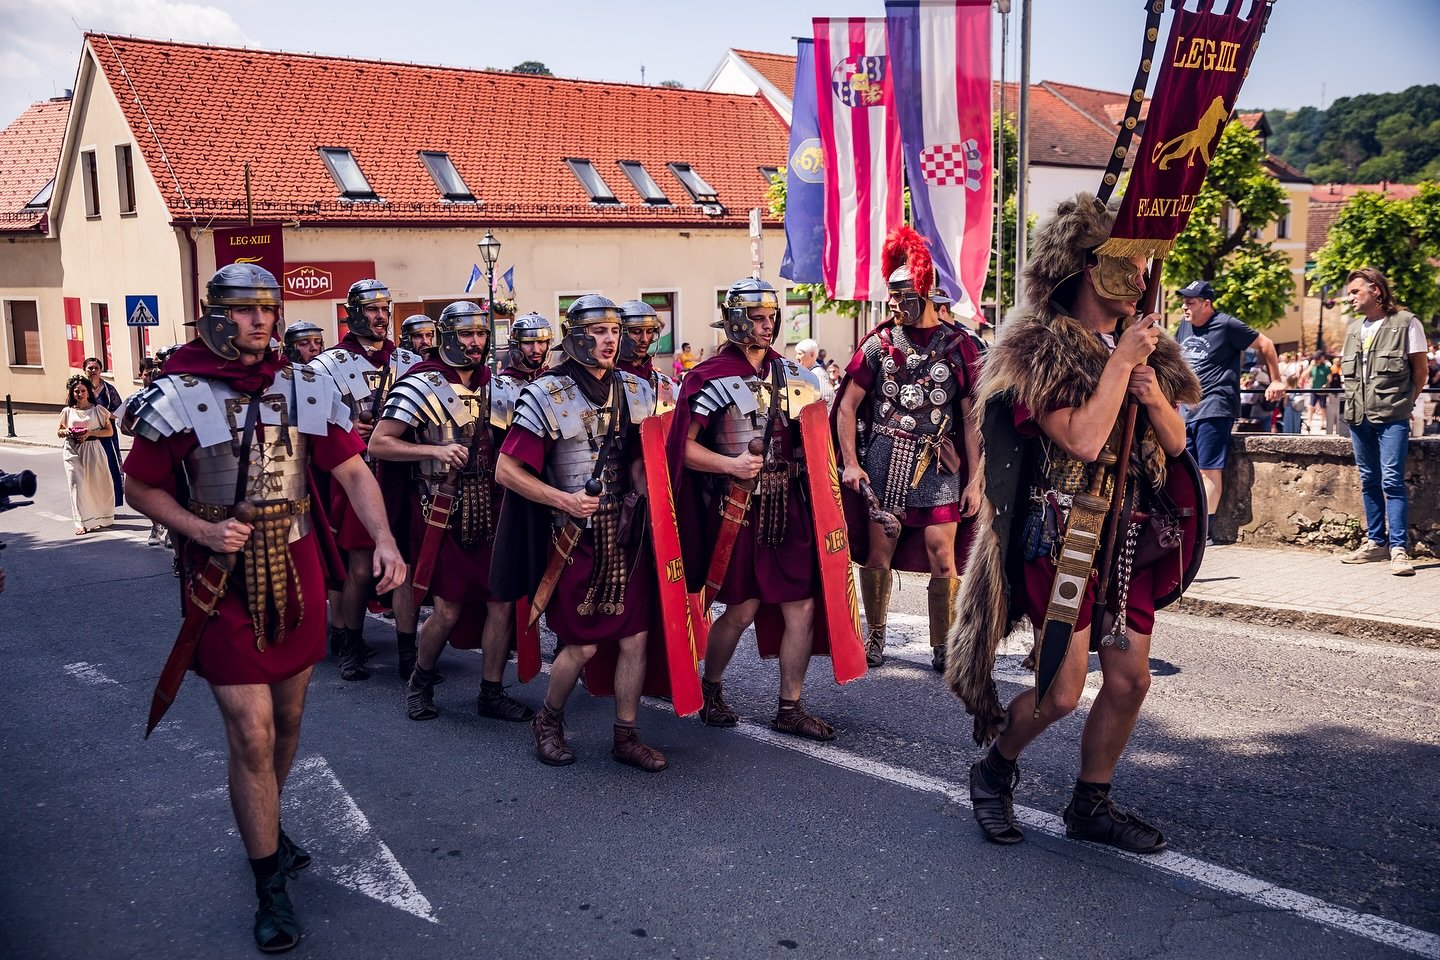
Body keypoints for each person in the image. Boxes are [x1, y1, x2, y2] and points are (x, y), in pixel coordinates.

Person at [122, 264, 406, 953]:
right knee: (249, 732)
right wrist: (199, 529)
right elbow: (139, 487)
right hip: (222, 577)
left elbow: (352, 469)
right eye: (246, 312)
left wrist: (387, 540)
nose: (261, 323)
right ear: (214, 314)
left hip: (300, 566)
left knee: (288, 718)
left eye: (268, 311)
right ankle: (269, 884)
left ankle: (267, 822)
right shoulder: (178, 395)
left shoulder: (303, 383)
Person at [948, 193, 1202, 854]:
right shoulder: (1038, 351)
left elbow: (1176, 445)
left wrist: (1146, 385)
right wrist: (1119, 366)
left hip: (1128, 540)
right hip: (1062, 538)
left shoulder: (1143, 348)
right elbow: (1085, 441)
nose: (1142, 279)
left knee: (1130, 679)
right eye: (1127, 264)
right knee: (1061, 691)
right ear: (1089, 268)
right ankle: (994, 768)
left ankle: (1091, 801)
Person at [493, 295, 669, 771]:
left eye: (615, 331)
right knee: (584, 642)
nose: (611, 339)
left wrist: (646, 487)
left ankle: (625, 736)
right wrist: (565, 500)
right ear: (575, 337)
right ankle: (548, 720)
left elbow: (635, 457)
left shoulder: (635, 389)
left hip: (625, 534)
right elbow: (506, 470)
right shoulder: (546, 394)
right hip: (571, 538)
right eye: (599, 331)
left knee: (635, 636)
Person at [667, 278, 836, 741]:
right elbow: (680, 449)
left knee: (801, 606)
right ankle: (713, 685)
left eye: (772, 318)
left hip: (789, 507)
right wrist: (731, 464)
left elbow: (815, 444)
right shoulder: (707, 376)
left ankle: (790, 705)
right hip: (737, 509)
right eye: (759, 319)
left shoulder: (793, 374)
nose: (769, 326)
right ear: (737, 321)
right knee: (741, 609)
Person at [370, 301, 535, 720]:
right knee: (448, 609)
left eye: (481, 334)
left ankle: (491, 692)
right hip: (439, 510)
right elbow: (379, 443)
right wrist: (434, 448)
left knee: (501, 603)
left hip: (492, 510)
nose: (476, 343)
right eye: (466, 335)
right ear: (447, 337)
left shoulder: (498, 386)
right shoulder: (419, 384)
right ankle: (419, 682)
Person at [835, 227, 983, 672]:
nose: (896, 306)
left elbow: (971, 421)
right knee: (881, 550)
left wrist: (976, 479)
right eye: (892, 297)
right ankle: (874, 638)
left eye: (903, 297)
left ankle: (944, 646)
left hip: (939, 464)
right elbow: (846, 408)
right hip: (885, 459)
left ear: (924, 292)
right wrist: (851, 464)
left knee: (943, 552)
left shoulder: (960, 348)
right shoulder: (878, 345)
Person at [308, 279, 422, 680]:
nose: (380, 317)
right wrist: (346, 424)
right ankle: (350, 647)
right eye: (371, 310)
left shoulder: (407, 362)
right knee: (359, 566)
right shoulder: (324, 366)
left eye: (384, 310)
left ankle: (410, 655)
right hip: (356, 472)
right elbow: (313, 424)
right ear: (354, 313)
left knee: (405, 561)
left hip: (402, 473)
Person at [1336, 267, 1428, 577]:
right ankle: (1376, 542)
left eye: (1355, 291)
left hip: (1392, 417)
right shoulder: (1352, 329)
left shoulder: (1406, 323)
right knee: (1369, 480)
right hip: (1358, 416)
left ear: (1375, 290)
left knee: (1392, 481)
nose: (1350, 297)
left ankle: (1400, 549)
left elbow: (1420, 371)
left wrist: (1406, 402)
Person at [1173, 279, 1282, 540]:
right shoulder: (1184, 327)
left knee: (1208, 470)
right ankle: (1188, 526)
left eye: (1190, 302)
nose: (1184, 307)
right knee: (1187, 469)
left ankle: (1203, 532)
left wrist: (1276, 379)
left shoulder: (1227, 324)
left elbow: (1265, 344)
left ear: (1207, 304)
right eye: (1184, 302)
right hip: (1187, 409)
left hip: (1215, 404)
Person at [58, 375, 116, 535]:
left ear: (88, 392)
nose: (79, 394)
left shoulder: (98, 410)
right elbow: (59, 431)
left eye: (83, 390)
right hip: (72, 450)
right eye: (76, 391)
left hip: (93, 449)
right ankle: (80, 522)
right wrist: (67, 432)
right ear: (72, 393)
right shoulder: (67, 411)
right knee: (76, 484)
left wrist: (89, 432)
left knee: (97, 484)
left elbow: (109, 431)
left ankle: (101, 516)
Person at [617, 299, 679, 414]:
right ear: (620, 333)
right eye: (636, 332)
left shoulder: (665, 384)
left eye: (649, 331)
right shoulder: (608, 380)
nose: (644, 339)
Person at [82, 356, 125, 507]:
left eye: (96, 368)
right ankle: (94, 505)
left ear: (101, 371)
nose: (93, 371)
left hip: (107, 434)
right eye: (90, 368)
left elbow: (119, 410)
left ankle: (112, 503)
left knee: (110, 467)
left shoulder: (109, 390)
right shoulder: (80, 389)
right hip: (87, 436)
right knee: (91, 471)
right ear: (84, 370)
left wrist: (104, 416)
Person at [793, 337, 835, 410]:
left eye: (800, 354)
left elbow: (828, 399)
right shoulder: (808, 372)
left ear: (812, 355)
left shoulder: (816, 373)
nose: (797, 357)